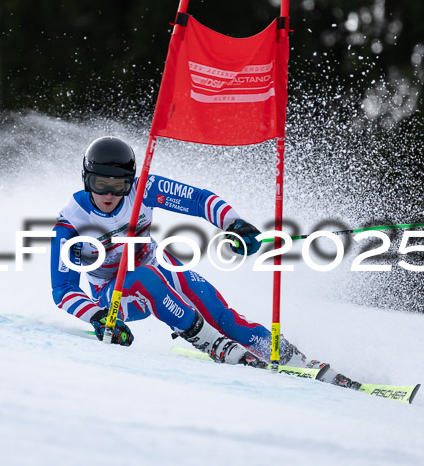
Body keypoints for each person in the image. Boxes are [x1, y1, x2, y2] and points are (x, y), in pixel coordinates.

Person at [50, 136, 358, 389]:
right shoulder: (71, 223)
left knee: (221, 314)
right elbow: (62, 290)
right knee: (145, 278)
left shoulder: (143, 189)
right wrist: (98, 317)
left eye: (118, 186)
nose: (108, 194)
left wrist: (235, 224)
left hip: (157, 264)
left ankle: (293, 358)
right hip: (114, 296)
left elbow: (197, 199)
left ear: (130, 181)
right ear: (85, 179)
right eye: (99, 183)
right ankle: (210, 343)